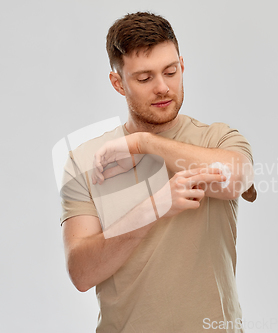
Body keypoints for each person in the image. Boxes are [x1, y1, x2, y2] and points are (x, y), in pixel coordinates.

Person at [59, 11, 256, 332]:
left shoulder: (218, 139)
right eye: (144, 78)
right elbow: (81, 273)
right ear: (117, 82)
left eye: (171, 71)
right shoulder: (84, 160)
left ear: (182, 65)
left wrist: (143, 144)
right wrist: (152, 209)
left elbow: (234, 179)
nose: (163, 87)